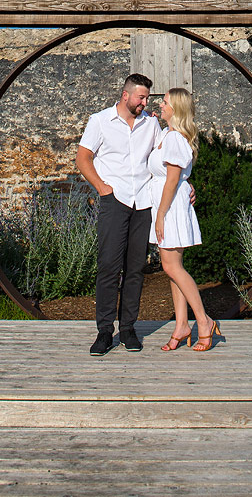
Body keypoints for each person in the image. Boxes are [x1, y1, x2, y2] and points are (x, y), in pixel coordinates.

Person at [77, 73, 161, 357]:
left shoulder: (151, 123)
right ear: (126, 95)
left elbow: (164, 157)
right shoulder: (100, 121)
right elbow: (83, 157)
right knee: (109, 267)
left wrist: (185, 183)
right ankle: (104, 331)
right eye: (141, 97)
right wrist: (102, 188)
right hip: (115, 200)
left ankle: (128, 328)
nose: (145, 102)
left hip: (144, 202)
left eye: (147, 97)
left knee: (136, 269)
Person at [150, 87, 221, 352]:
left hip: (169, 207)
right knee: (172, 267)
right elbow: (176, 178)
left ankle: (203, 321)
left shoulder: (174, 138)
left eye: (165, 102)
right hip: (167, 203)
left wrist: (160, 214)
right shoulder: (168, 135)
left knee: (172, 268)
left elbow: (171, 179)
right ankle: (181, 324)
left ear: (176, 108)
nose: (161, 105)